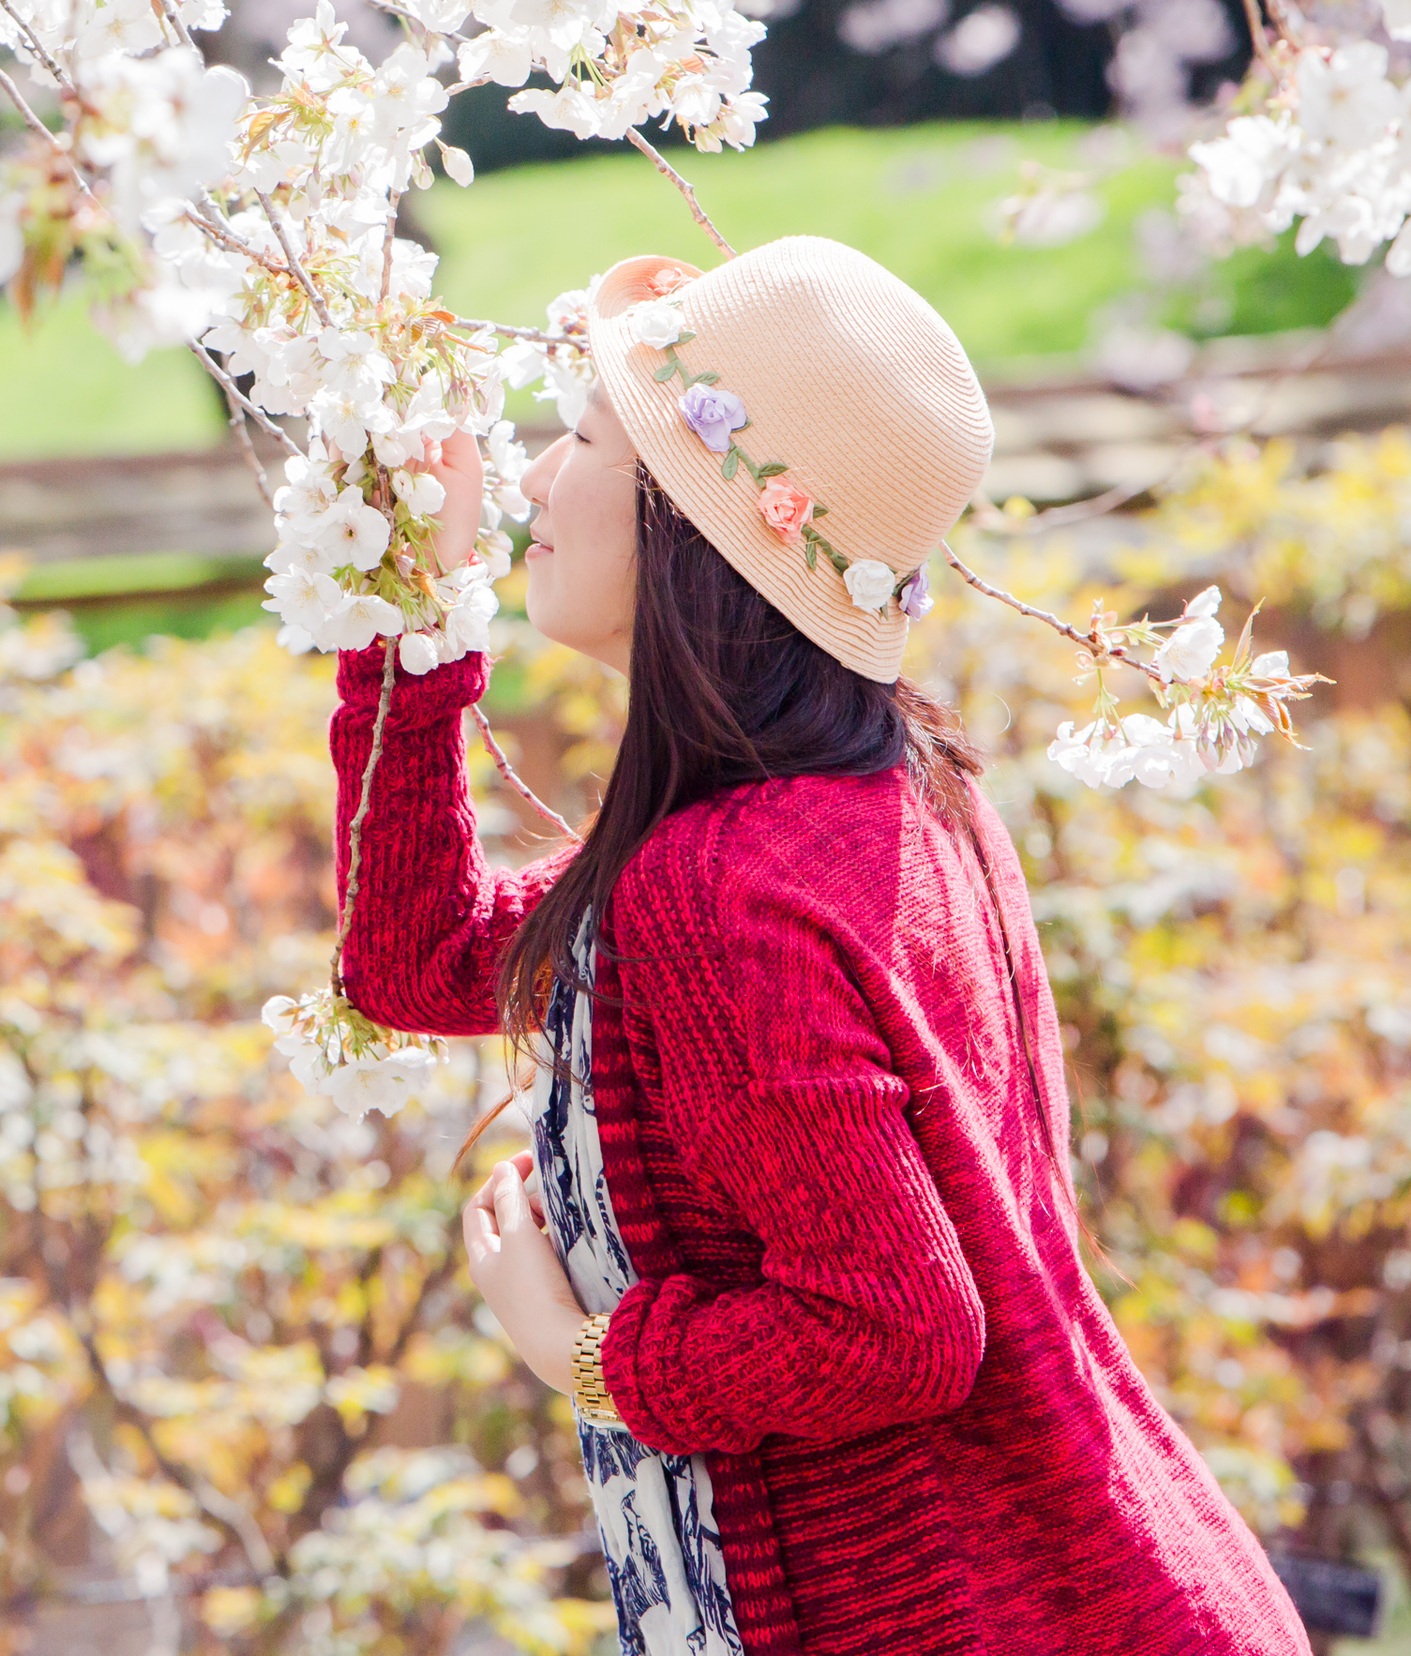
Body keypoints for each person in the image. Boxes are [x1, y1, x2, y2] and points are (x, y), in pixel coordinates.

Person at [333, 240, 1309, 1655]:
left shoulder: (724, 895)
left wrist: (590, 1360)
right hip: (1102, 1579)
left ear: (694, 526)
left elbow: (895, 1327)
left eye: (585, 437)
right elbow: (417, 960)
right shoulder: (872, 806)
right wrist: (410, 627)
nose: (538, 478)